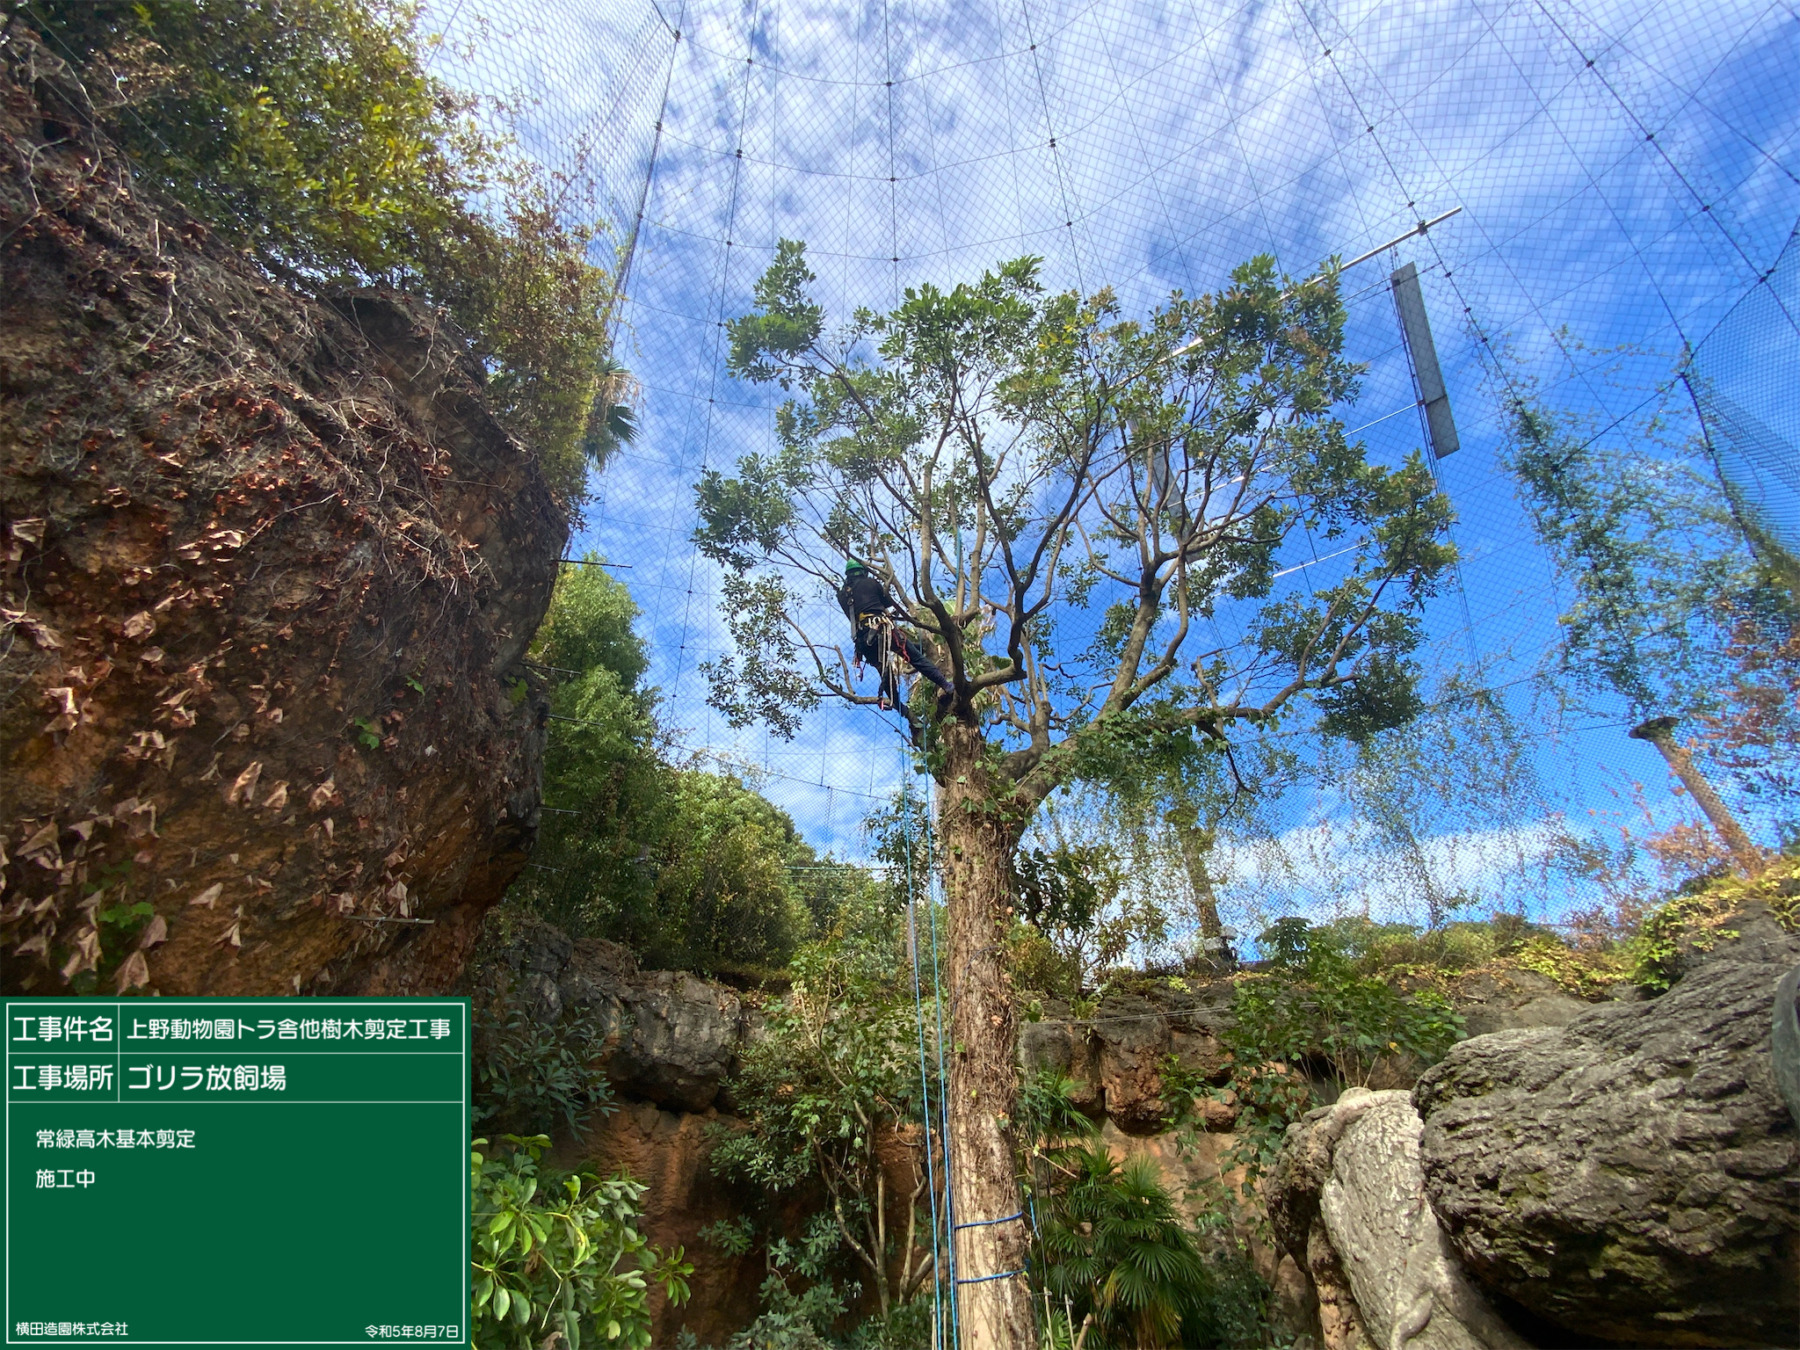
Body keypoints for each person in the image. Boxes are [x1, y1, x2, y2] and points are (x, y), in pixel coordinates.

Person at [837, 560, 953, 714]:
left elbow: (853, 615)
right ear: (864, 572)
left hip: (863, 639)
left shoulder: (842, 595)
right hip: (882, 628)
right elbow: (886, 602)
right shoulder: (871, 583)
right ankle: (945, 684)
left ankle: (898, 704)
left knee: (883, 670)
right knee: (916, 658)